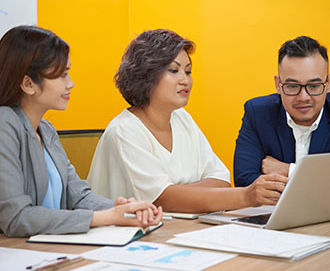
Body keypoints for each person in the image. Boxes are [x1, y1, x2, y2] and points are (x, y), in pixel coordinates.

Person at [88, 29, 287, 213]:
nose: (186, 80)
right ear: (146, 74)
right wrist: (245, 196)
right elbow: (163, 199)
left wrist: (180, 194)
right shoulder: (124, 131)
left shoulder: (182, 119)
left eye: (188, 71)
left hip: (179, 229)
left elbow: (222, 180)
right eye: (174, 71)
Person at [0, 25, 162, 238]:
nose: (71, 84)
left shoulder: (46, 130)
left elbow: (78, 196)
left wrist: (120, 208)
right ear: (28, 83)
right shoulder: (4, 123)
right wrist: (107, 217)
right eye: (62, 75)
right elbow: (16, 218)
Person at [234, 36, 330, 187]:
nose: (303, 97)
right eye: (292, 86)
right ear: (278, 84)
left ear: (328, 84)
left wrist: (288, 170)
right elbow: (245, 181)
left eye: (314, 86)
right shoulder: (257, 113)